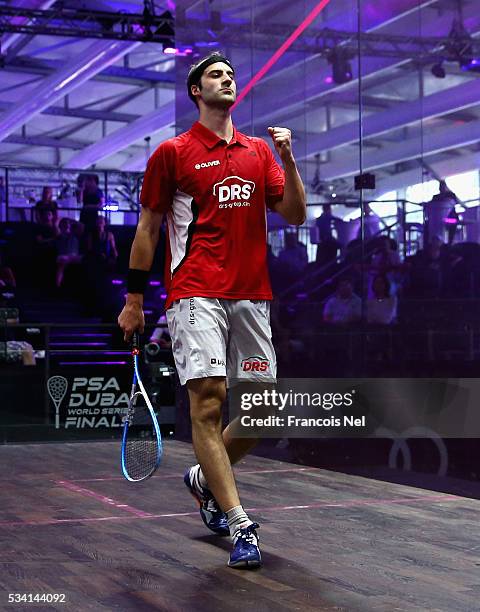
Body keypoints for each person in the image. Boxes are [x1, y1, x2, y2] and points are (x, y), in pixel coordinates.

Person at [118, 52, 306, 568]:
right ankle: (240, 522)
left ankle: (202, 479)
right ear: (196, 91)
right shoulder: (173, 154)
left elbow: (294, 213)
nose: (228, 78)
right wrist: (134, 300)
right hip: (195, 290)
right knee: (208, 402)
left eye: (231, 74)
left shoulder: (258, 151)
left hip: (252, 294)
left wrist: (287, 160)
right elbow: (148, 230)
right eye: (215, 75)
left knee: (263, 409)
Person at [424, 180, 459, 246]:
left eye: (442, 186)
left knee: (453, 223)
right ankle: (431, 243)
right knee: (427, 225)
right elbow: (431, 205)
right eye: (440, 186)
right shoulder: (435, 197)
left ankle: (449, 243)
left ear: (445, 187)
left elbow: (453, 203)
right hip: (436, 219)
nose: (441, 188)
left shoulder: (451, 195)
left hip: (449, 219)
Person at [55, 218, 82, 288]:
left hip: (74, 256)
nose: (67, 225)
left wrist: (70, 220)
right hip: (63, 256)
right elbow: (56, 226)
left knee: (85, 259)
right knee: (62, 264)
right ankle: (58, 287)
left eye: (68, 223)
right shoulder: (59, 235)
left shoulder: (74, 235)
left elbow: (81, 225)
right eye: (65, 223)